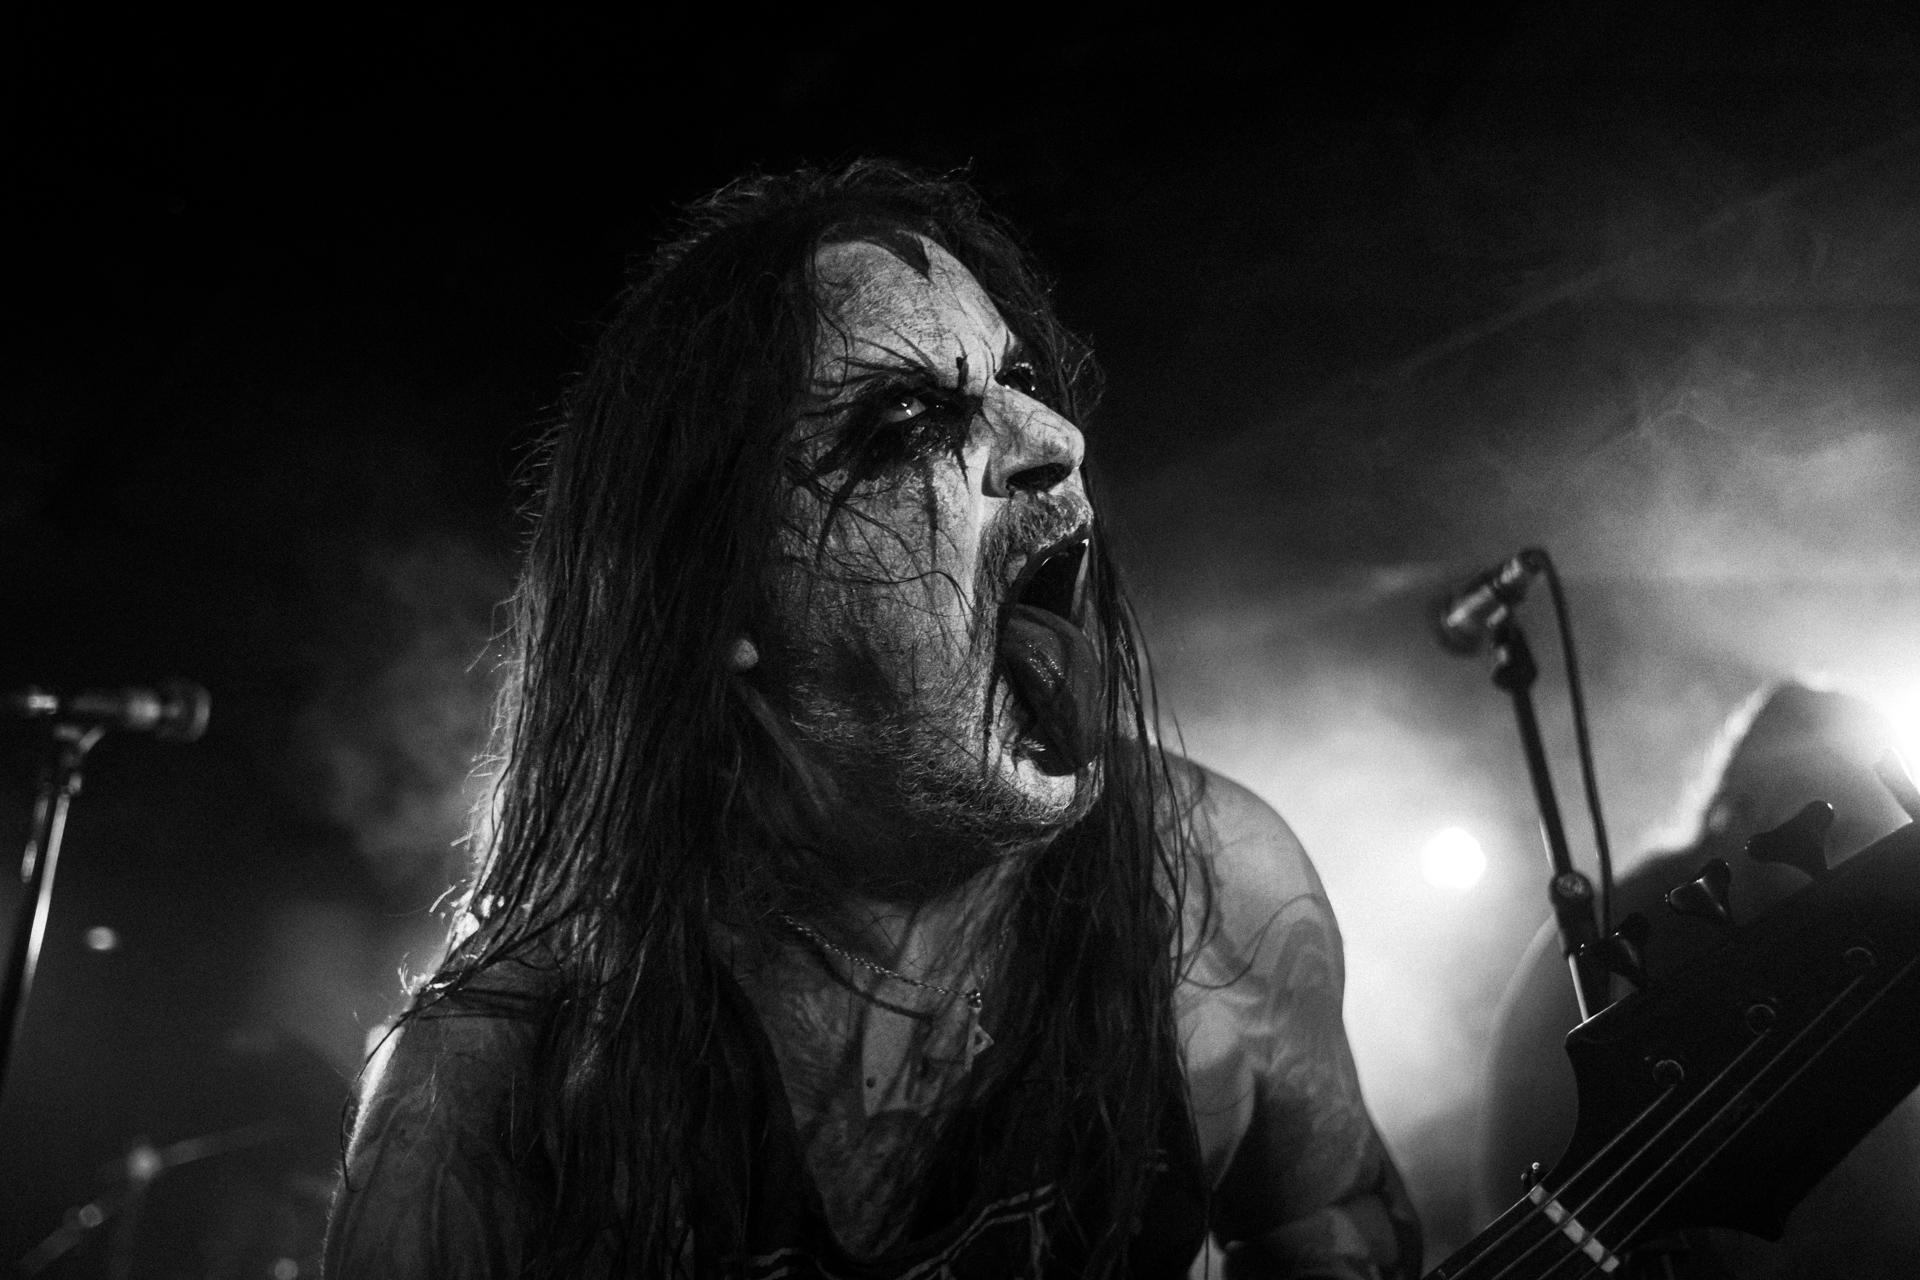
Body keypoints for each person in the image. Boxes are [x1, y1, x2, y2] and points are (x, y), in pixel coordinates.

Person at [323, 162, 1422, 1278]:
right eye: (903, 417)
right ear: (718, 594)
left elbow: (1332, 1223)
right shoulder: (486, 1099)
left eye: (1021, 378)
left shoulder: (1210, 885)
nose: (1055, 435)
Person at [1472, 681, 1920, 1278]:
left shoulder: (1848, 954)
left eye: (1871, 828)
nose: (1857, 859)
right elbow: (1513, 1160)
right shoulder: (1617, 927)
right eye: (1835, 822)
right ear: (1746, 800)